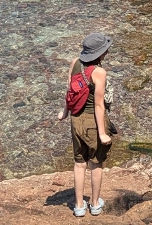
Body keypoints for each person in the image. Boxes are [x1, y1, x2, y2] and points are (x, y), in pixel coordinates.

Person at [57, 33, 113, 218]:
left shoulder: (75, 63)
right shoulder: (99, 72)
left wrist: (65, 112)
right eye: (105, 50)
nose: (107, 52)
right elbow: (99, 105)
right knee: (96, 163)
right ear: (99, 53)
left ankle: (79, 206)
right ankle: (95, 204)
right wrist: (102, 133)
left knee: (79, 163)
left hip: (76, 121)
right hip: (92, 123)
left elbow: (69, 91)